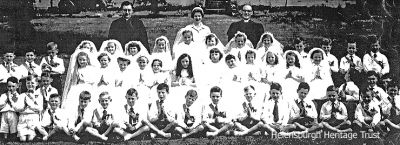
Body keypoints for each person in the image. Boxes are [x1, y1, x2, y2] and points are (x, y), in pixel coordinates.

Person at [17, 76, 44, 142]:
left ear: (37, 84)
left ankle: (34, 133)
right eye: (28, 83)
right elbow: (18, 108)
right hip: (23, 118)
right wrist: (23, 106)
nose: (30, 85)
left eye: (32, 83)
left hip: (33, 118)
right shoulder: (22, 95)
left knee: (30, 139)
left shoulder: (39, 95)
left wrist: (30, 105)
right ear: (26, 84)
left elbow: (40, 108)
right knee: (22, 139)